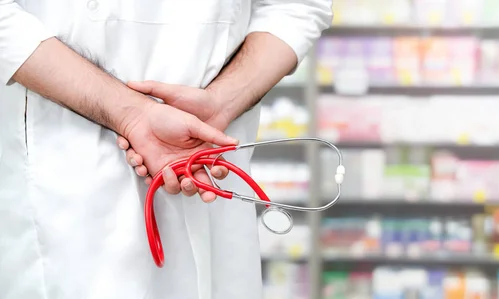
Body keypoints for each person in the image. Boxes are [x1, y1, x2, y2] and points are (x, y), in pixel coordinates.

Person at [0, 1, 332, 298]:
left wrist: (221, 102)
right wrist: (128, 113)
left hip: (213, 172)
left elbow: (298, 6)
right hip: (66, 185)